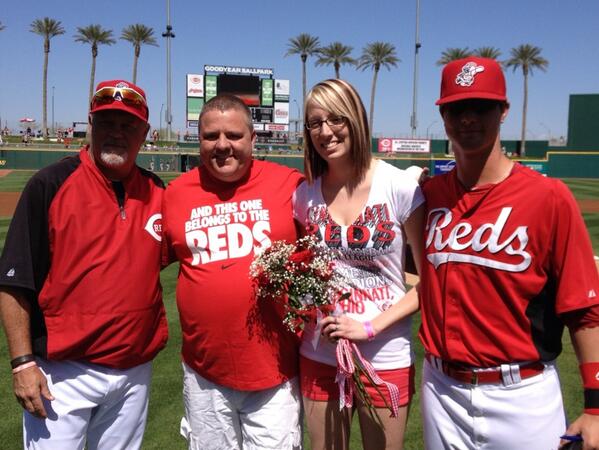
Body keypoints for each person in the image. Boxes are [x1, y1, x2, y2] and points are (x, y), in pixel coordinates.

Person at [419, 57, 599, 449]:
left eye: (480, 107)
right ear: (444, 115)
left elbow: (584, 309)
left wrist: (596, 407)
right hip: (440, 390)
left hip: (523, 394)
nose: (468, 118)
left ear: (503, 111)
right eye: (456, 108)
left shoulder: (549, 198)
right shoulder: (428, 196)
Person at [0, 79, 168, 449]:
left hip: (134, 372)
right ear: (90, 125)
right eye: (107, 123)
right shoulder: (51, 184)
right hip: (63, 375)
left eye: (128, 125)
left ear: (145, 133)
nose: (117, 134)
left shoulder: (159, 192)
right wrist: (22, 363)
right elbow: (14, 282)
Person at [161, 94, 304, 449]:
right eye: (211, 136)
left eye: (234, 135)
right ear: (199, 140)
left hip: (275, 373)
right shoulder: (176, 193)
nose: (222, 145)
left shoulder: (290, 185)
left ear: (253, 140)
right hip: (205, 374)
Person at [293, 78, 425, 450]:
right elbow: (302, 269)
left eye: (335, 119)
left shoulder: (399, 187)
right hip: (319, 353)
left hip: (384, 355)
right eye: (314, 123)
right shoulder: (304, 195)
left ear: (355, 120)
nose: (325, 131)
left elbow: (430, 285)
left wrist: (368, 327)